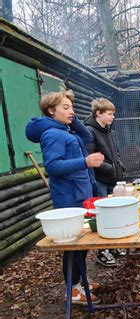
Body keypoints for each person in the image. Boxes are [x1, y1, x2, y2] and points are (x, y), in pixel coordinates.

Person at [26, 90, 104, 305]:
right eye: (65, 107)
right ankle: (72, 290)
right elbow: (52, 166)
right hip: (69, 199)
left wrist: (72, 117)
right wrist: (85, 162)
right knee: (72, 245)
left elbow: (87, 137)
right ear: (51, 110)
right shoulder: (53, 134)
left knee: (82, 244)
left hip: (80, 194)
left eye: (71, 107)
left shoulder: (65, 130)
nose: (71, 112)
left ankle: (80, 282)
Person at [85, 98, 126, 266]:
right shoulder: (89, 131)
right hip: (100, 179)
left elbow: (114, 152)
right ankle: (102, 252)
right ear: (98, 113)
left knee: (115, 213)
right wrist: (108, 168)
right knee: (103, 215)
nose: (112, 117)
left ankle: (113, 245)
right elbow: (89, 157)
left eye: (113, 114)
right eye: (109, 114)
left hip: (112, 178)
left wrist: (118, 165)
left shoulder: (108, 129)